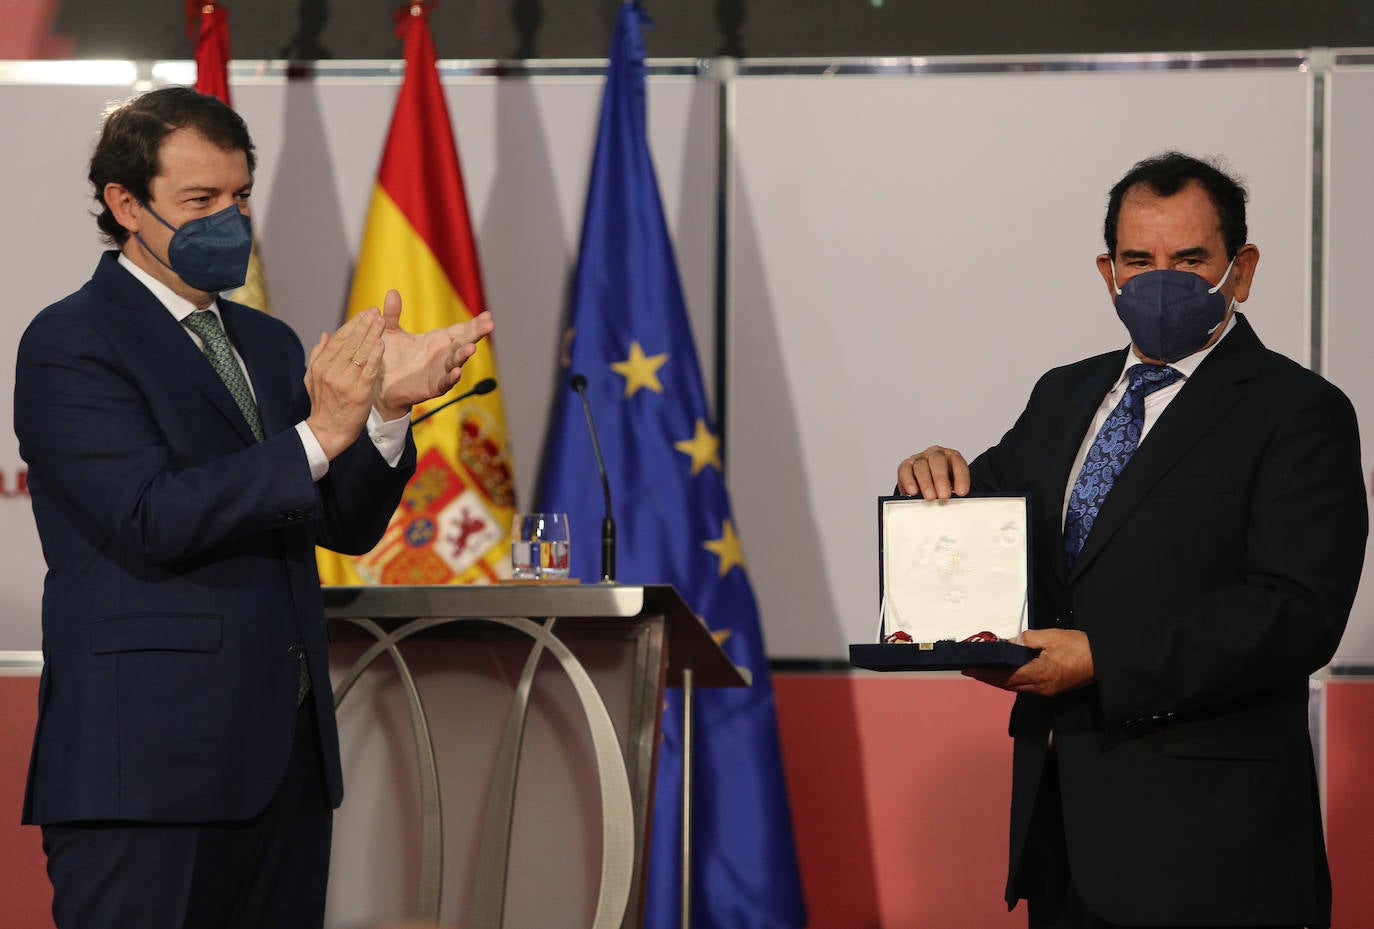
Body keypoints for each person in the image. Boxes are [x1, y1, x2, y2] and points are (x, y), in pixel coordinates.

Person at [13, 86, 494, 928]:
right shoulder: (71, 342)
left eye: (238, 197)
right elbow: (153, 514)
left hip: (285, 766)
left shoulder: (267, 342)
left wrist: (385, 412)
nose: (227, 220)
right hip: (151, 772)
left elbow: (340, 523)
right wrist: (321, 431)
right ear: (125, 203)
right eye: (200, 201)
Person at [896, 152, 1366, 929]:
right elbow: (993, 529)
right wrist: (936, 483)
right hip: (1064, 840)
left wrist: (1102, 657)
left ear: (1239, 271)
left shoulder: (1300, 411)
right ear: (1107, 272)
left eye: (1189, 260)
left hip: (1215, 856)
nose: (1160, 280)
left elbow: (1295, 612)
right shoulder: (1063, 393)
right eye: (1138, 260)